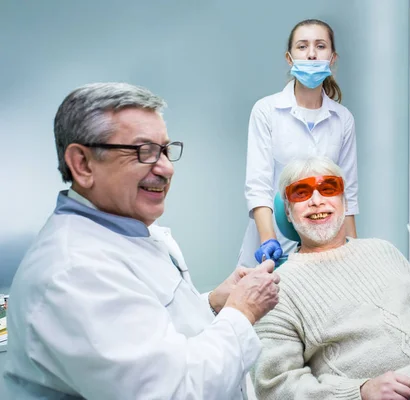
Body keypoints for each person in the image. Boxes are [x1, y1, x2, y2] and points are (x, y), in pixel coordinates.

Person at [4, 82, 280, 400]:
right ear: (82, 164)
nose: (166, 168)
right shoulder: (73, 272)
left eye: (164, 150)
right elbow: (173, 392)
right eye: (143, 151)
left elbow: (153, 332)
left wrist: (214, 304)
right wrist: (242, 312)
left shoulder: (126, 229)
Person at [250, 156, 410, 400]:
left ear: (344, 200)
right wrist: (359, 392)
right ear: (287, 210)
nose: (317, 201)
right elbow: (275, 386)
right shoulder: (276, 289)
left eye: (328, 188)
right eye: (301, 193)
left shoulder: (384, 250)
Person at [239, 18, 359, 268]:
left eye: (320, 46)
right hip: (272, 237)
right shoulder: (266, 110)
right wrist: (268, 241)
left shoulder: (342, 118)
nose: (312, 54)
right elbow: (258, 186)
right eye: (303, 46)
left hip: (323, 238)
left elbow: (347, 193)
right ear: (289, 58)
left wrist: (354, 251)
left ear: (332, 57)